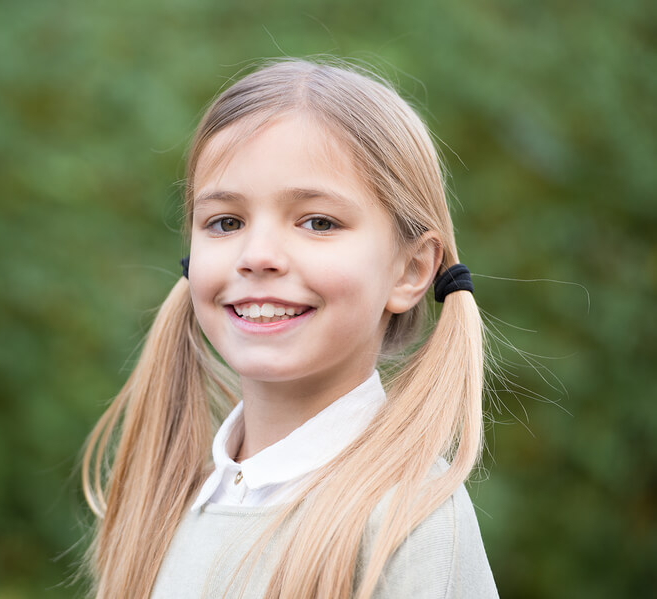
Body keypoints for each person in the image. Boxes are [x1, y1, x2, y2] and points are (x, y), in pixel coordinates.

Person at [82, 58, 498, 598]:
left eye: (318, 222)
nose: (257, 256)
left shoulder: (407, 520)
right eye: (225, 222)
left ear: (411, 269)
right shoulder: (161, 507)